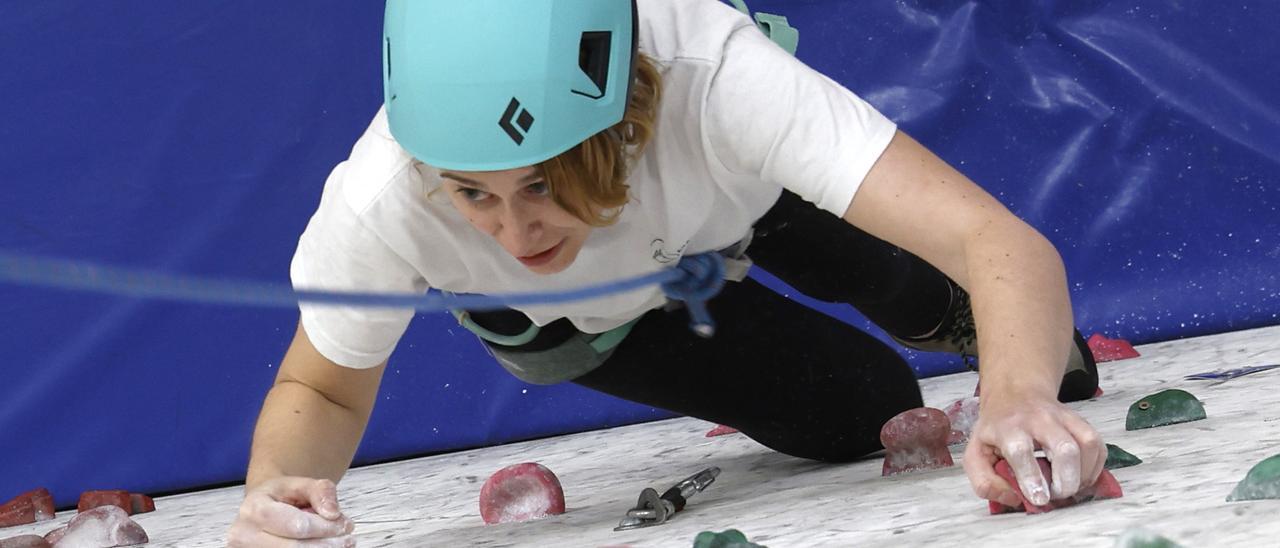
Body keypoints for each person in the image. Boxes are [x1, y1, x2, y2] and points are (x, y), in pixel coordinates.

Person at [227, 0, 1104, 545]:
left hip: (737, 203)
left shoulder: (716, 76)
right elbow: (323, 390)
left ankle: (938, 314)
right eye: (472, 194)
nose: (514, 233)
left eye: (542, 183)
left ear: (626, 116)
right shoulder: (382, 197)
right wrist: (274, 498)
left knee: (953, 308)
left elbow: (994, 238)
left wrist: (1017, 394)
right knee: (866, 410)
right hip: (593, 317)